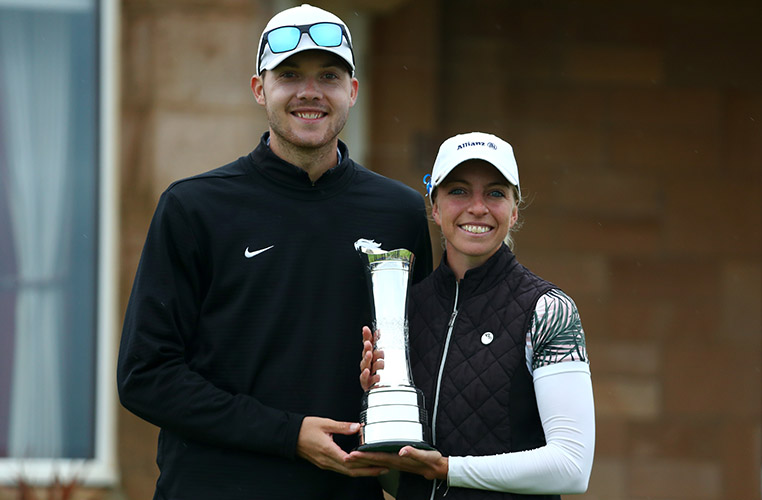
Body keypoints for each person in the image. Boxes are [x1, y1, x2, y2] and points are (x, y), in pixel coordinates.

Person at [116, 4, 432, 499]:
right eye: (289, 76)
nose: (310, 92)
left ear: (352, 91)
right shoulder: (193, 207)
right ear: (259, 90)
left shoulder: (399, 213)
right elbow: (145, 376)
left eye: (328, 75)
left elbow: (423, 362)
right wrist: (289, 435)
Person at [348, 132, 595, 499]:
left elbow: (571, 468)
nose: (477, 208)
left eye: (495, 193)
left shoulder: (548, 309)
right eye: (459, 191)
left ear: (514, 210)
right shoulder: (405, 310)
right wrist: (381, 414)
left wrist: (449, 469)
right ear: (434, 208)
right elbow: (400, 480)